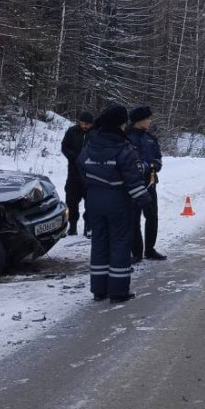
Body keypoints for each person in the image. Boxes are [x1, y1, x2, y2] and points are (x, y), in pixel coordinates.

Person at [77, 105, 152, 303]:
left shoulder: (90, 144)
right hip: (118, 201)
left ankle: (99, 289)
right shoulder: (123, 148)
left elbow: (82, 169)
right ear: (120, 124)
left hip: (94, 200)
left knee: (99, 243)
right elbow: (134, 180)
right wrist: (144, 201)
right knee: (119, 243)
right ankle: (118, 290)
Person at [126, 106, 166, 262]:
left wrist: (156, 164)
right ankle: (136, 253)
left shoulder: (151, 137)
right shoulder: (126, 137)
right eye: (148, 119)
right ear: (140, 120)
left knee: (152, 217)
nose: (150, 121)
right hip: (134, 186)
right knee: (134, 219)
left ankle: (150, 250)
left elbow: (158, 157)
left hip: (150, 184)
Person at [61, 111, 95, 236]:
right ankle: (72, 226)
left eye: (87, 124)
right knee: (71, 200)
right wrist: (74, 157)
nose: (85, 126)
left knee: (91, 201)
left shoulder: (96, 133)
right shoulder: (72, 131)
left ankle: (89, 226)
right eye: (82, 123)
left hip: (90, 173)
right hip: (74, 172)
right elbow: (64, 147)